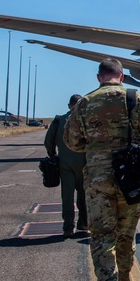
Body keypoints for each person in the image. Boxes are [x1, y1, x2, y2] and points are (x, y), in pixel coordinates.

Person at [64, 58, 140, 281]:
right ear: (122, 76)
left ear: (98, 78)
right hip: (131, 179)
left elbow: (72, 141)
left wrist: (96, 150)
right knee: (126, 237)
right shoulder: (134, 98)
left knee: (103, 239)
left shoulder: (85, 102)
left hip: (98, 179)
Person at [44, 94, 88, 237]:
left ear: (69, 105)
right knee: (83, 194)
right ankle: (83, 222)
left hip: (64, 163)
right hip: (84, 163)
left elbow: (48, 141)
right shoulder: (87, 120)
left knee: (67, 196)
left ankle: (68, 227)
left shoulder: (59, 120)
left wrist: (52, 155)